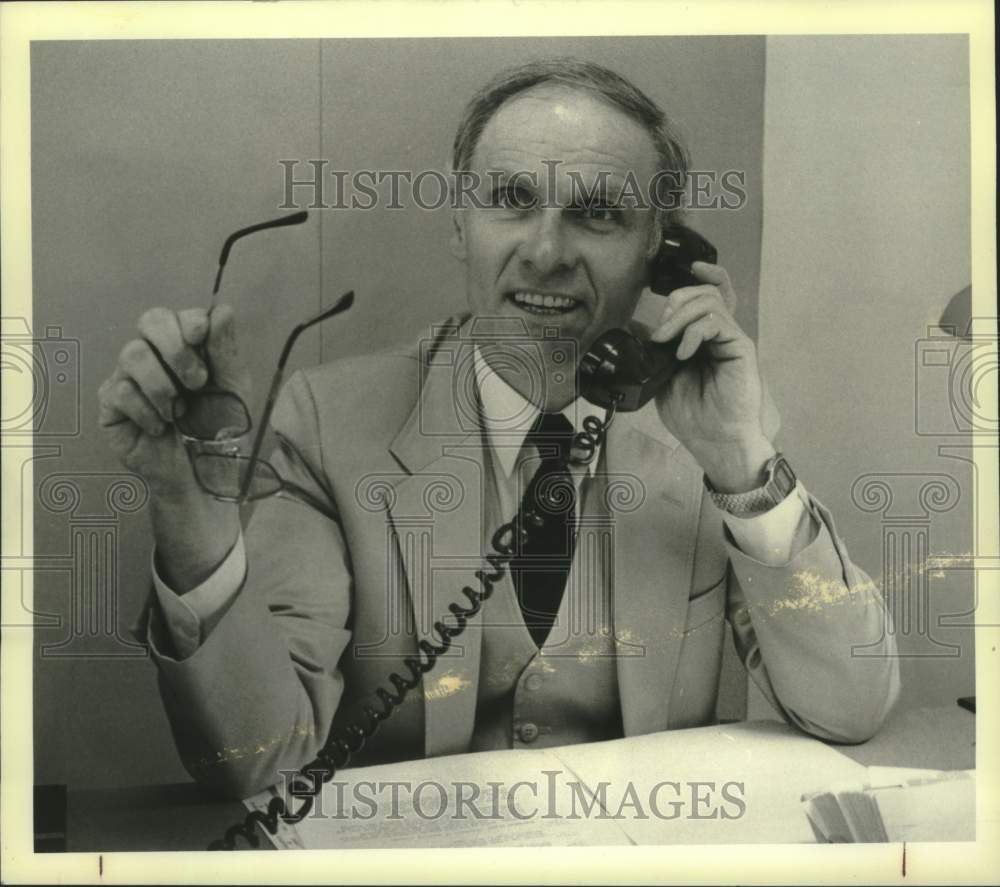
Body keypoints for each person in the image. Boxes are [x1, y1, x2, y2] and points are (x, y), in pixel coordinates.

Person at [98, 58, 900, 800]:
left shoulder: (715, 427)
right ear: (460, 225)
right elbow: (258, 759)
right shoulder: (325, 425)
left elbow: (848, 707)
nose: (546, 251)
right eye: (512, 201)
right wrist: (193, 517)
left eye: (597, 215)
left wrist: (738, 463)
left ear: (664, 254)